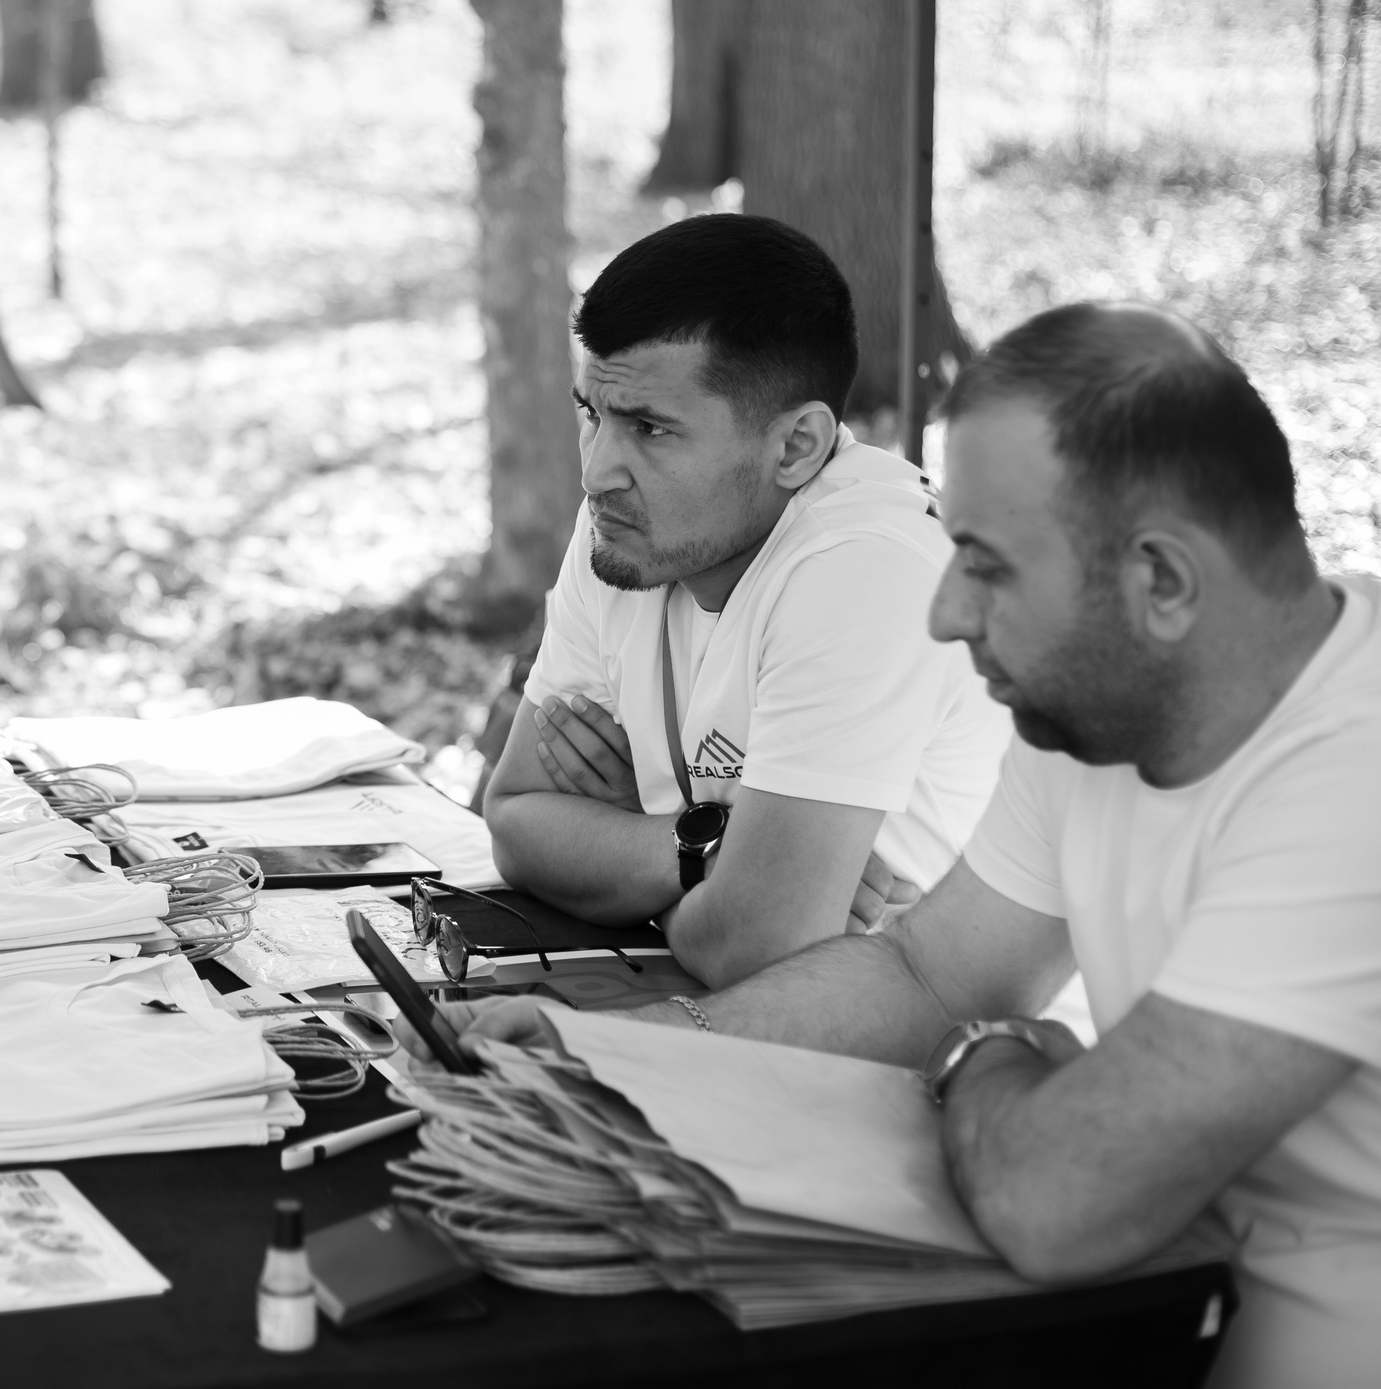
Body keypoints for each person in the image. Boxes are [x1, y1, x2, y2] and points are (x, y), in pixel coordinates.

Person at [437, 303, 1380, 1384]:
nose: (943, 614)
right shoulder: (1109, 705)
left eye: (983, 563)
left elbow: (1053, 1198)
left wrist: (981, 1053)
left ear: (1161, 582)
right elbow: (928, 970)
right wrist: (611, 1048)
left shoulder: (1351, 778)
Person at [483, 215, 1010, 985]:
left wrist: (634, 845)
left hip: (954, 1070)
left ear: (796, 447)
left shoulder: (867, 567)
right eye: (595, 414)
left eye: (651, 428)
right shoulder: (634, 525)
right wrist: (702, 849)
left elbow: (756, 947)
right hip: (755, 1032)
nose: (598, 471)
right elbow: (516, 818)